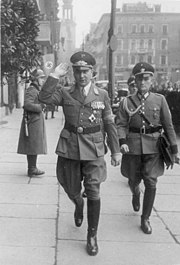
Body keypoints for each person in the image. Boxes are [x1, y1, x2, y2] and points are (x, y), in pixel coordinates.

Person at [39, 51, 121, 256]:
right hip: (70, 148)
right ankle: (77, 203)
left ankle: (92, 235)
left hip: (94, 149)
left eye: (85, 71)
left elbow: (109, 122)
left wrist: (116, 150)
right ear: (73, 73)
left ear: (92, 72)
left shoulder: (102, 94)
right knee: (71, 188)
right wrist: (54, 75)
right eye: (77, 71)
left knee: (94, 191)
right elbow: (44, 97)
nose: (81, 75)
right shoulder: (66, 91)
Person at [116, 62, 178, 234]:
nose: (142, 82)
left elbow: (169, 125)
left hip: (154, 146)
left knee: (151, 182)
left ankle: (145, 218)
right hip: (133, 147)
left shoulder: (160, 99)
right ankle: (135, 193)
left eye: (146, 78)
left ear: (151, 80)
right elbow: (120, 124)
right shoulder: (127, 101)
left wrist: (174, 149)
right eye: (139, 78)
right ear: (134, 81)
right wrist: (122, 142)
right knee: (133, 180)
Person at [17, 69, 47, 177]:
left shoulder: (36, 89)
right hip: (32, 121)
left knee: (34, 145)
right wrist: (40, 107)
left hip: (35, 120)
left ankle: (32, 167)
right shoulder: (32, 89)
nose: (42, 80)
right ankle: (32, 168)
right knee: (33, 145)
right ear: (35, 79)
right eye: (41, 78)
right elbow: (27, 104)